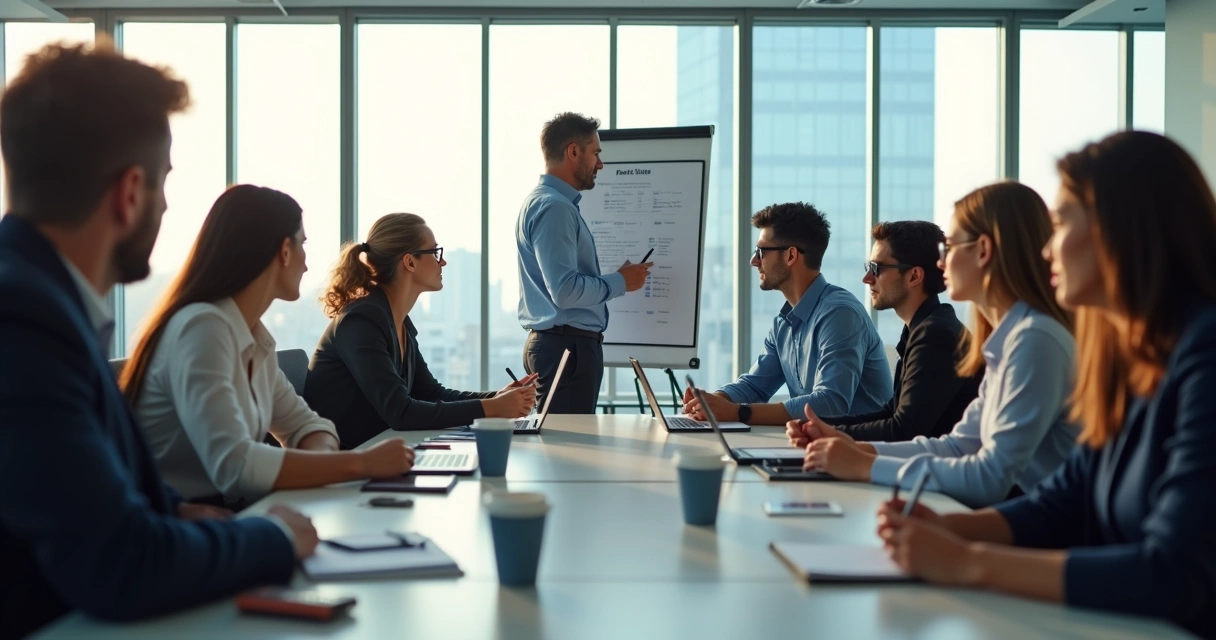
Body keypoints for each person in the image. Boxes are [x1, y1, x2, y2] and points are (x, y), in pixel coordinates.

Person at [0, 42, 315, 637]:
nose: (167, 206)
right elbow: (123, 563)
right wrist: (274, 536)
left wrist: (172, 511)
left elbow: (57, 490)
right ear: (129, 193)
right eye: (164, 183)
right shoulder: (24, 318)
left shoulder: (42, 301)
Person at [877, 131, 1216, 637]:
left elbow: (1173, 575)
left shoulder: (1204, 356)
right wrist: (945, 527)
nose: (1046, 248)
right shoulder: (1129, 359)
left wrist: (970, 561)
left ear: (1120, 229)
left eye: (1059, 224)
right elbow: (1063, 499)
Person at [121, 185, 415, 505]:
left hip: (232, 509)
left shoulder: (252, 336)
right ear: (285, 251)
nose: (306, 264)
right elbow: (236, 466)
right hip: (188, 517)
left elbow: (308, 425)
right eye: (303, 244)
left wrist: (322, 462)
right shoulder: (203, 329)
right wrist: (361, 464)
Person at [794, 182, 1078, 508]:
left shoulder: (1035, 340)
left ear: (983, 250)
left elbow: (990, 478)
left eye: (950, 248)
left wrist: (865, 464)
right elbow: (957, 447)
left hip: (1032, 525)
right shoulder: (1010, 339)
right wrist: (854, 448)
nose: (941, 263)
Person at [307, 213, 539, 449]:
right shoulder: (361, 321)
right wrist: (493, 408)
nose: (442, 262)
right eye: (435, 252)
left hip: (380, 451)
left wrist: (498, 398)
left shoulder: (399, 322)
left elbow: (430, 393)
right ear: (410, 262)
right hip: (347, 460)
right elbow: (401, 412)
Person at [683, 202, 891, 426]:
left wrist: (737, 412)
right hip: (816, 441)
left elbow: (830, 404)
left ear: (791, 255)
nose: (754, 261)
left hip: (858, 445)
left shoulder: (840, 314)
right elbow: (755, 386)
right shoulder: (784, 322)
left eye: (761, 252)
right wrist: (715, 400)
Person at [788, 221, 981, 443]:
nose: (867, 278)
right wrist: (817, 426)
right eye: (868, 267)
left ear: (914, 276)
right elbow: (891, 412)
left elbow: (903, 430)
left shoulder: (935, 335)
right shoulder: (924, 327)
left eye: (876, 269)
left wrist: (827, 433)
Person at [516, 112, 653, 414]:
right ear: (573, 152)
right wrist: (621, 281)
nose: (600, 164)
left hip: (561, 347)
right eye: (596, 153)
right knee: (566, 442)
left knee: (562, 440)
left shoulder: (546, 203)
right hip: (567, 350)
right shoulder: (555, 208)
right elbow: (564, 291)